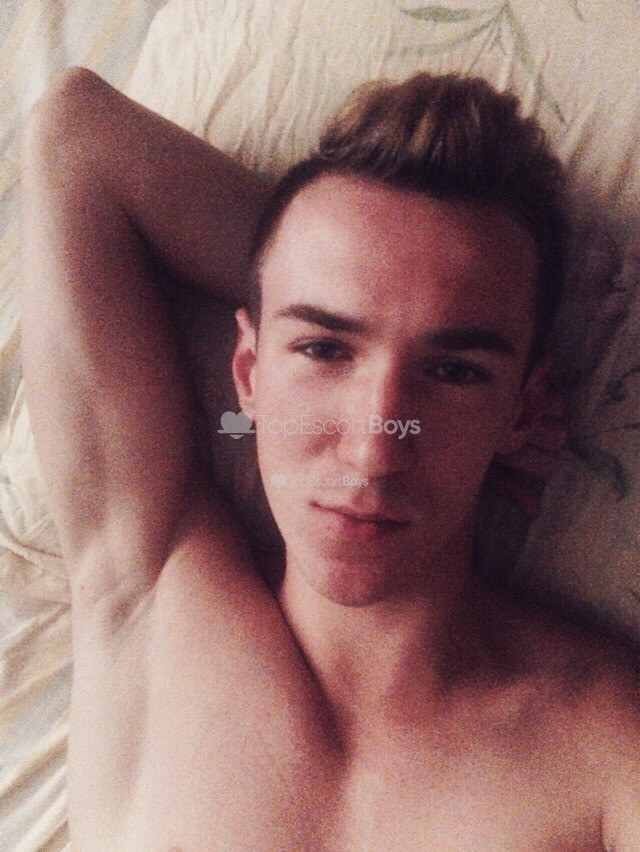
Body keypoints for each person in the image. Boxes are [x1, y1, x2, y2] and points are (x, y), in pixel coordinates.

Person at [19, 66, 639, 850]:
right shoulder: (150, 592)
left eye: (454, 373)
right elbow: (75, 139)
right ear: (250, 372)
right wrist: (307, 264)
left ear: (521, 409)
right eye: (322, 348)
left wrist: (329, 295)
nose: (375, 450)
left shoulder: (606, 747)